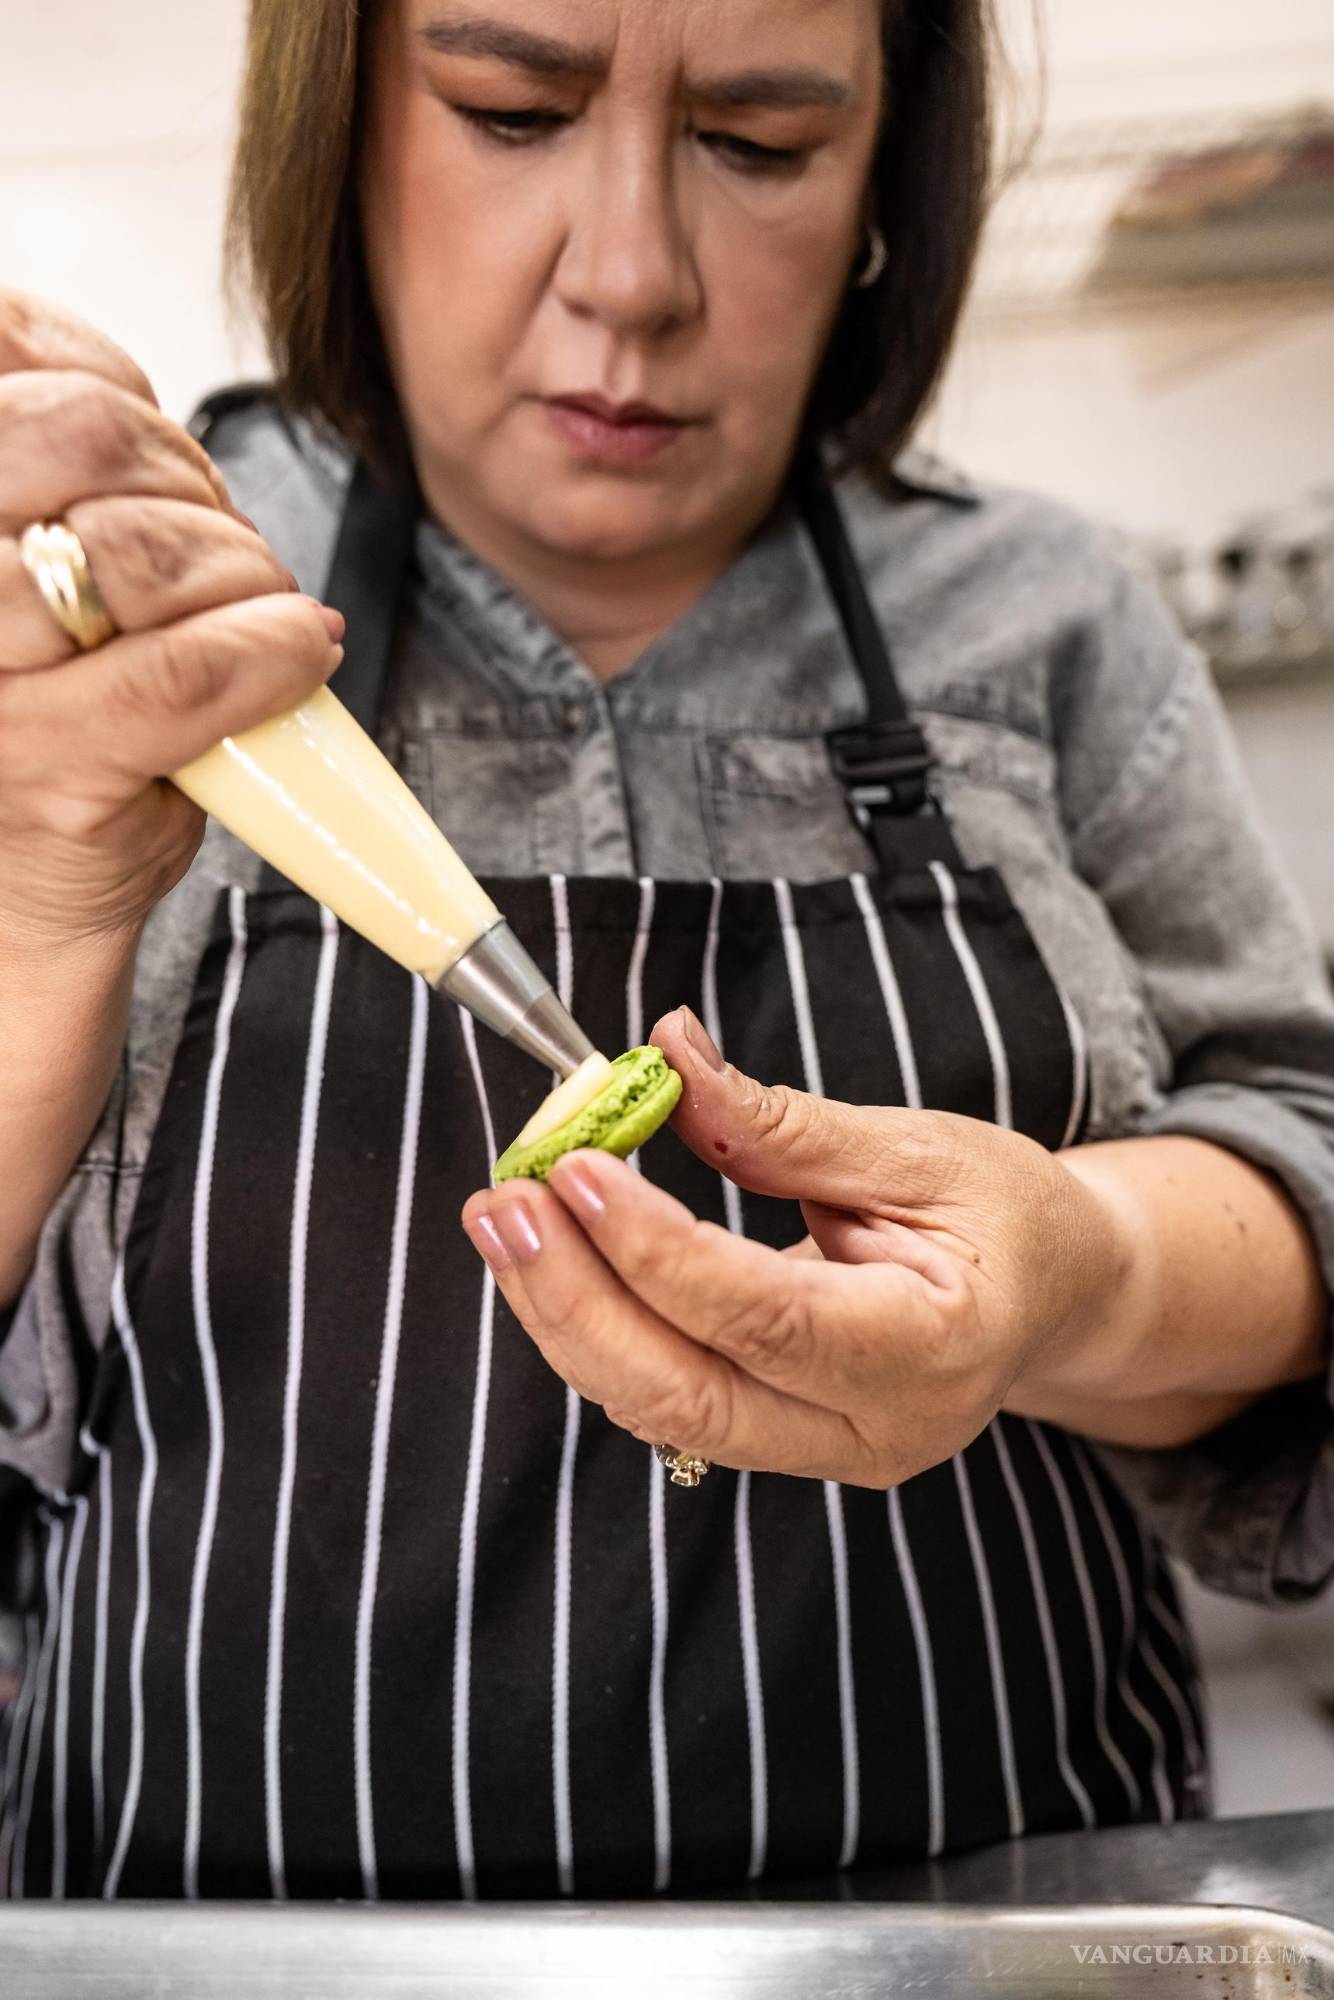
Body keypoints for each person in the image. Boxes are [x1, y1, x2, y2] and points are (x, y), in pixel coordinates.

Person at [1, 0, 1331, 1905]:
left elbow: (1298, 1147)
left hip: (1002, 1937)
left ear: (886, 187)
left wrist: (1081, 1280)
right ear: (338, 132)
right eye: (511, 110)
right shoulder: (104, 610)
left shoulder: (1045, 619)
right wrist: (43, 903)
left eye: (760, 143)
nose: (630, 279)